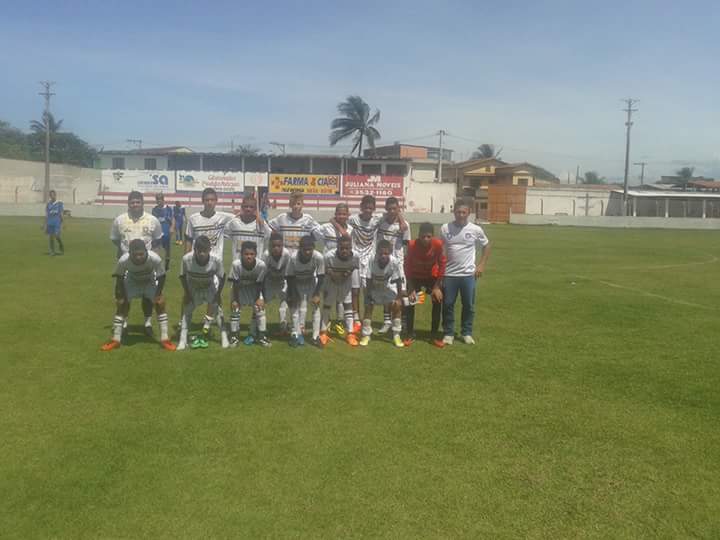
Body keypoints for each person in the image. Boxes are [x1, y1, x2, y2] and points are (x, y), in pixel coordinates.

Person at [101, 239, 175, 351]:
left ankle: (165, 339)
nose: (138, 257)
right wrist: (121, 296)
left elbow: (161, 276)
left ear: (146, 251)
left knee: (160, 303)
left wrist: (157, 294)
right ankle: (115, 340)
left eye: (141, 254)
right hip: (132, 282)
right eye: (135, 255)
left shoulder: (154, 258)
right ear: (129, 253)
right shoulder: (123, 260)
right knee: (121, 305)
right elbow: (119, 277)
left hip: (149, 282)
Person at [438, 198, 491, 347]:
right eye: (458, 212)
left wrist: (481, 265)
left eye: (463, 212)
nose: (460, 215)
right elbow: (439, 249)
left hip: (468, 275)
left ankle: (466, 333)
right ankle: (448, 333)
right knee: (448, 304)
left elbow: (486, 246)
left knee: (468, 305)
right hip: (449, 274)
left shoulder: (476, 229)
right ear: (454, 212)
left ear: (469, 213)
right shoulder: (444, 228)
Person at [110, 191, 163, 336]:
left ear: (142, 203)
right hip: (127, 265)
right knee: (123, 296)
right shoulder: (119, 220)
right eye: (132, 202)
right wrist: (125, 255)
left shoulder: (153, 220)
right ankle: (124, 324)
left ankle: (147, 323)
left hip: (147, 266)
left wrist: (155, 259)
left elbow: (157, 241)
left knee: (148, 297)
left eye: (137, 202)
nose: (135, 205)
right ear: (128, 203)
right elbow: (115, 240)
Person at [177, 235, 229, 350]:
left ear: (209, 250)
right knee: (187, 312)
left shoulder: (216, 260)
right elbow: (182, 276)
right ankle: (182, 339)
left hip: (209, 287)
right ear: (194, 249)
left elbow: (222, 277)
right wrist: (187, 293)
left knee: (218, 311)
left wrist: (218, 294)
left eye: (204, 251)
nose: (201, 254)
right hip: (193, 288)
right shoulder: (186, 259)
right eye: (199, 250)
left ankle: (224, 336)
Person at [314, 202, 356, 336]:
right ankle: (327, 322)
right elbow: (314, 237)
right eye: (339, 214)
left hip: (343, 265)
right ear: (335, 214)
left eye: (344, 214)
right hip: (329, 266)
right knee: (328, 296)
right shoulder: (326, 227)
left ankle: (339, 321)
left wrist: (337, 225)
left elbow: (350, 245)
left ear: (348, 215)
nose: (342, 216)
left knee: (342, 298)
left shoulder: (350, 229)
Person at [403, 222, 446, 346]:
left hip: (431, 277)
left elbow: (442, 265)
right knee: (411, 302)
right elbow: (407, 267)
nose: (426, 239)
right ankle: (410, 333)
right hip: (415, 277)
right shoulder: (412, 245)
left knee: (437, 300)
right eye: (423, 236)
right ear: (418, 235)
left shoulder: (437, 244)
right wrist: (410, 288)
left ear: (432, 236)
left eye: (428, 236)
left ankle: (434, 335)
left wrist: (437, 287)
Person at [359, 240, 405, 348]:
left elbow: (398, 280)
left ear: (390, 252)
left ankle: (396, 335)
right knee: (368, 306)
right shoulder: (371, 259)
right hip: (374, 288)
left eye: (386, 253)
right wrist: (368, 294)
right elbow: (368, 278)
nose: (383, 256)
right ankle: (366, 335)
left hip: (387, 288)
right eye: (381, 253)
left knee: (397, 306)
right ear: (377, 252)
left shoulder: (394, 261)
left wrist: (398, 298)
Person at [375, 196, 411, 334]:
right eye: (389, 208)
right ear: (386, 209)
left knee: (401, 292)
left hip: (398, 263)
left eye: (394, 209)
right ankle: (387, 322)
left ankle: (402, 321)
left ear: (398, 209)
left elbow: (407, 245)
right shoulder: (381, 222)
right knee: (386, 292)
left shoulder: (404, 225)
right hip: (384, 262)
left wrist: (406, 262)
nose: (391, 211)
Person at [347, 195, 382, 329]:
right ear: (361, 207)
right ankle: (356, 319)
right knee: (355, 291)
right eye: (366, 207)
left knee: (368, 292)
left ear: (374, 208)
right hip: (355, 260)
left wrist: (401, 221)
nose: (368, 210)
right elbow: (337, 219)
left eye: (370, 208)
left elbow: (394, 214)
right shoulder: (353, 219)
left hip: (369, 262)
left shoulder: (377, 220)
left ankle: (367, 320)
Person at [319, 235, 360, 347]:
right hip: (330, 281)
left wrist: (345, 275)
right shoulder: (328, 256)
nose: (344, 251)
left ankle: (350, 334)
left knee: (348, 306)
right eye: (342, 248)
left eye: (347, 248)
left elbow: (353, 268)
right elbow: (325, 270)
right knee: (327, 306)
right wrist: (334, 276)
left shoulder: (355, 256)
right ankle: (323, 332)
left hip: (345, 281)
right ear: (337, 247)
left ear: (351, 247)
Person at [228, 241, 270, 347]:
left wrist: (260, 299)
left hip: (254, 288)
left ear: (255, 254)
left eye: (251, 254)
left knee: (260, 308)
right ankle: (234, 336)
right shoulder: (236, 264)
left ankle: (262, 336)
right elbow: (235, 284)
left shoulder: (261, 265)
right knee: (235, 309)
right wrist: (235, 300)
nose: (249, 257)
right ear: (241, 254)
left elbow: (260, 283)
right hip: (239, 289)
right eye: (246, 254)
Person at [286, 235, 325, 348]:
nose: (307, 252)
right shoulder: (293, 258)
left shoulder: (318, 257)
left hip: (310, 282)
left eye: (310, 249)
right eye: (305, 249)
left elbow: (321, 276)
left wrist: (317, 293)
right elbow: (289, 276)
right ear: (300, 248)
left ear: (313, 248)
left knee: (316, 305)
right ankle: (295, 334)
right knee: (294, 306)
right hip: (296, 282)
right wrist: (294, 293)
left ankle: (315, 337)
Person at [268, 191, 319, 256]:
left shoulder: (308, 219)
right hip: (285, 256)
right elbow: (269, 227)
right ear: (290, 205)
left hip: (301, 256)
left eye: (298, 204)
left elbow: (318, 234)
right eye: (293, 204)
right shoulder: (282, 217)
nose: (296, 206)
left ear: (302, 204)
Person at [225, 193, 271, 262]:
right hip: (238, 266)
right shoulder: (234, 223)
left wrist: (263, 223)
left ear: (255, 209)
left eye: (251, 207)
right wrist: (235, 216)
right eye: (246, 206)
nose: (248, 209)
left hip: (256, 267)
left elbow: (270, 237)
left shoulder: (261, 224)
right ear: (242, 207)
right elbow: (222, 234)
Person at [262, 232, 292, 335]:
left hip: (282, 282)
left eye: (279, 246)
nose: (276, 248)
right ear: (270, 245)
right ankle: (260, 327)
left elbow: (289, 272)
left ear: (282, 245)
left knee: (284, 302)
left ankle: (283, 327)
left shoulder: (286, 254)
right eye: (273, 246)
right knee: (261, 304)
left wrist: (290, 288)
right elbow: (263, 273)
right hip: (269, 282)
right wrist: (261, 290)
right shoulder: (266, 254)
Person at [152, 192, 174, 270]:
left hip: (166, 231)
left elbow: (172, 219)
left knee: (167, 249)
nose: (158, 201)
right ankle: (156, 265)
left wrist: (172, 228)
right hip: (157, 232)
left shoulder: (168, 209)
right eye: (157, 200)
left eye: (160, 200)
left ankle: (167, 265)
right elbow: (153, 221)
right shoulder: (154, 209)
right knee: (156, 248)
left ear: (163, 200)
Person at [43, 189, 64, 255]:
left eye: (53, 195)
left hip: (57, 222)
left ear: (55, 195)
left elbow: (61, 214)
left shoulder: (59, 203)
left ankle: (61, 245)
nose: (52, 196)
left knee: (57, 236)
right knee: (51, 237)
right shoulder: (48, 204)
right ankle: (52, 251)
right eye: (51, 195)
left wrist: (63, 223)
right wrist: (44, 224)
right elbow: (47, 215)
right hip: (50, 222)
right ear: (50, 196)